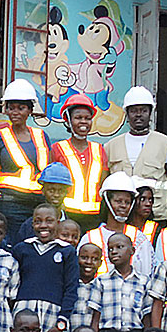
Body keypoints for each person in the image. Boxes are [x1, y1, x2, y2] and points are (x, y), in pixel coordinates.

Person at [0, 79, 51, 244]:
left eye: (21, 108)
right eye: (11, 108)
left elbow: (48, 170)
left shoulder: (42, 136)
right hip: (9, 205)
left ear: (29, 110)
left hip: (37, 205)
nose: (15, 112)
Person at [12, 203, 77, 332]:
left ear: (58, 223)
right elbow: (13, 285)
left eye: (49, 221)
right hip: (23, 310)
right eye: (38, 221)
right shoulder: (22, 249)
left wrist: (61, 323)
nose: (43, 225)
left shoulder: (67, 251)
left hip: (53, 315)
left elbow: (71, 289)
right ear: (32, 223)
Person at [104, 86, 167, 222]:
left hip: (155, 217)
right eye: (134, 111)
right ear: (127, 114)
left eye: (143, 110)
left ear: (150, 113)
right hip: (121, 216)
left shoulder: (166, 144)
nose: (139, 115)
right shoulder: (111, 146)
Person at [50, 93, 106, 235]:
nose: (83, 122)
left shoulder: (99, 149)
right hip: (67, 215)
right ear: (68, 120)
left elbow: (103, 183)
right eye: (78, 118)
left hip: (95, 218)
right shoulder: (58, 148)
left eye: (87, 118)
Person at [90, 233, 151, 332]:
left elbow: (146, 316)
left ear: (132, 251)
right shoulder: (101, 281)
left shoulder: (144, 282)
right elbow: (96, 316)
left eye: (119, 247)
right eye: (110, 249)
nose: (114, 251)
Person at [80, 172, 154, 277]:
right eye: (118, 201)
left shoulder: (139, 238)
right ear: (107, 202)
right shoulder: (90, 238)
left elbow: (146, 274)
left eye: (127, 202)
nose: (123, 206)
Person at [16, 163, 72, 241]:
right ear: (43, 190)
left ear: (67, 192)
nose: (56, 195)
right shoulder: (29, 226)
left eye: (61, 191)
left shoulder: (70, 226)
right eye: (51, 190)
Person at [72, 242, 102, 329]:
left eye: (94, 259)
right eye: (84, 258)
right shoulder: (69, 285)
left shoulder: (102, 287)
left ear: (100, 263)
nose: (89, 262)